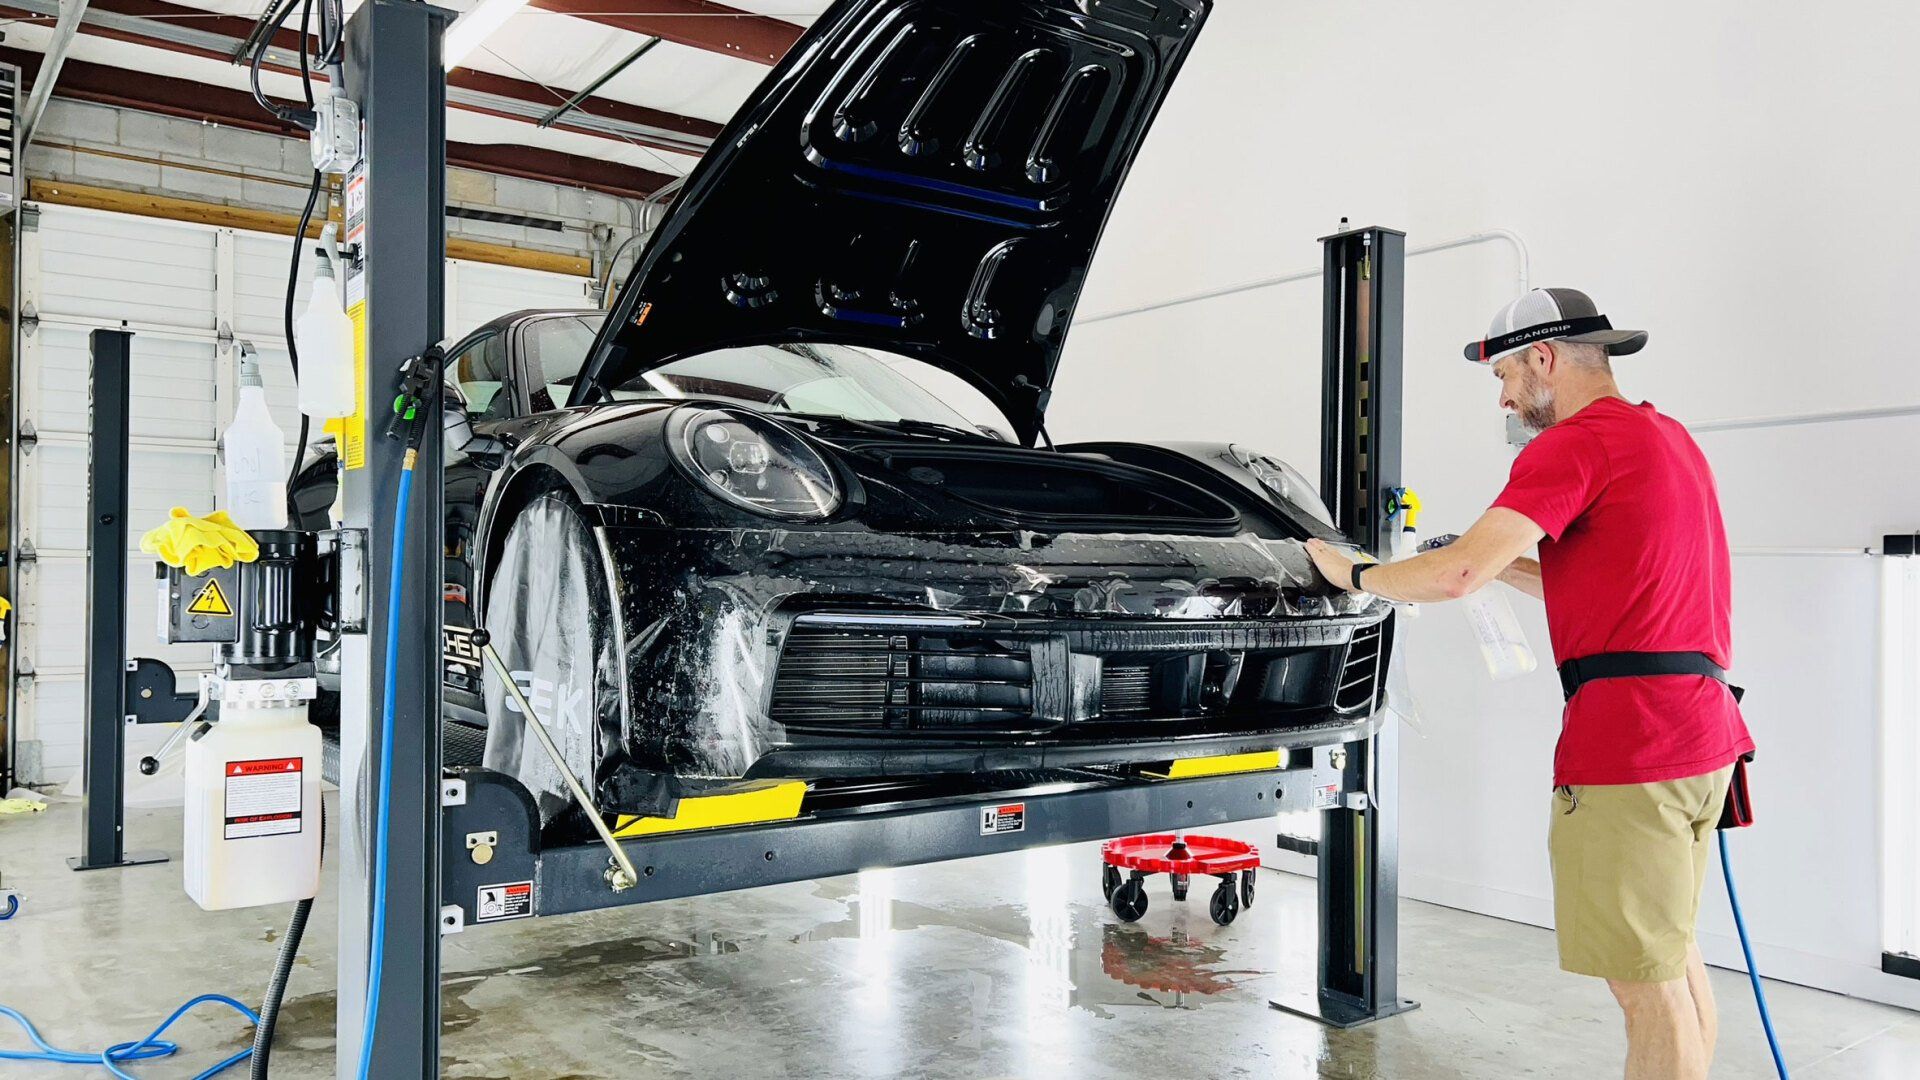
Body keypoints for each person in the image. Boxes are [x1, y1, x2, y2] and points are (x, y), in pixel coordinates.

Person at [1304, 288, 1755, 1080]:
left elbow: (1456, 575)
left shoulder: (1572, 445)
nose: (1508, 400)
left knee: (1645, 990)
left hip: (1631, 750)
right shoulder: (1665, 437)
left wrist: (1359, 572)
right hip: (1702, 738)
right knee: (1673, 961)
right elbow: (1596, 582)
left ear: (1544, 358)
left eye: (1506, 378)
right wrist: (1495, 564)